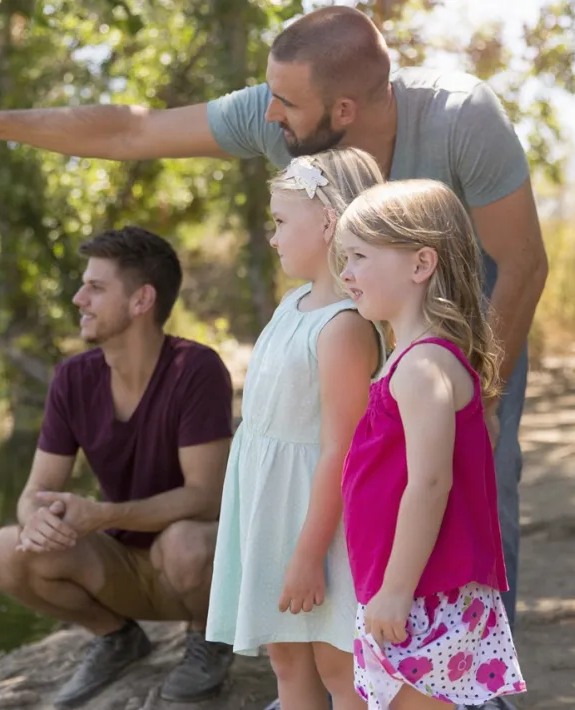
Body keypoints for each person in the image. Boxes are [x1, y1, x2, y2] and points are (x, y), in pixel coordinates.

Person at [0, 8, 548, 708]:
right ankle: (366, 673)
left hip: (463, 327)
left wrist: (481, 397)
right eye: (269, 94)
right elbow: (132, 129)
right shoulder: (282, 122)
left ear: (342, 109)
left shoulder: (462, 118)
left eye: (286, 103)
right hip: (363, 331)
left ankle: (471, 685)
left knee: (468, 485)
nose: (268, 113)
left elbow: (521, 263)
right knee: (369, 493)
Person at [0, 226, 236, 707]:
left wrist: (102, 515)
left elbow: (207, 496)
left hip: (190, 567)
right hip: (117, 570)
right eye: (84, 286)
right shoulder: (72, 379)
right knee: (5, 550)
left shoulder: (196, 369)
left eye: (96, 288)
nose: (79, 298)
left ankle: (210, 639)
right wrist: (35, 521)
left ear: (142, 300)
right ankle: (118, 637)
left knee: (187, 541)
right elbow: (34, 492)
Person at [334, 179, 526, 709]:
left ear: (421, 265)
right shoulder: (407, 360)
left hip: (425, 591)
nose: (345, 273)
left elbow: (430, 483)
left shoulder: (423, 366)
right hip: (405, 586)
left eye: (358, 257)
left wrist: (396, 589)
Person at [207, 147, 385, 710]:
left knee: (337, 658)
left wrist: (310, 553)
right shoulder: (293, 305)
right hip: (272, 506)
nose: (273, 236)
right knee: (286, 655)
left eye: (282, 222)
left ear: (328, 223)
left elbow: (341, 447)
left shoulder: (343, 328)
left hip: (318, 518)